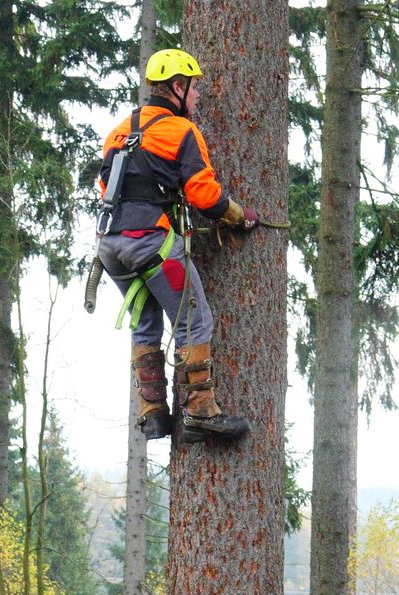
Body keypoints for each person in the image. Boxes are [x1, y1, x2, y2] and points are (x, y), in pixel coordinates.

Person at [97, 48, 259, 442]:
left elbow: (106, 186)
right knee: (194, 320)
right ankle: (200, 412)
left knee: (145, 321)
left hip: (111, 246)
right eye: (194, 88)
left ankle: (153, 414)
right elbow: (204, 195)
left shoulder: (119, 131)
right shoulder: (181, 132)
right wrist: (239, 215)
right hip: (150, 244)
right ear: (176, 87)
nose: (198, 96)